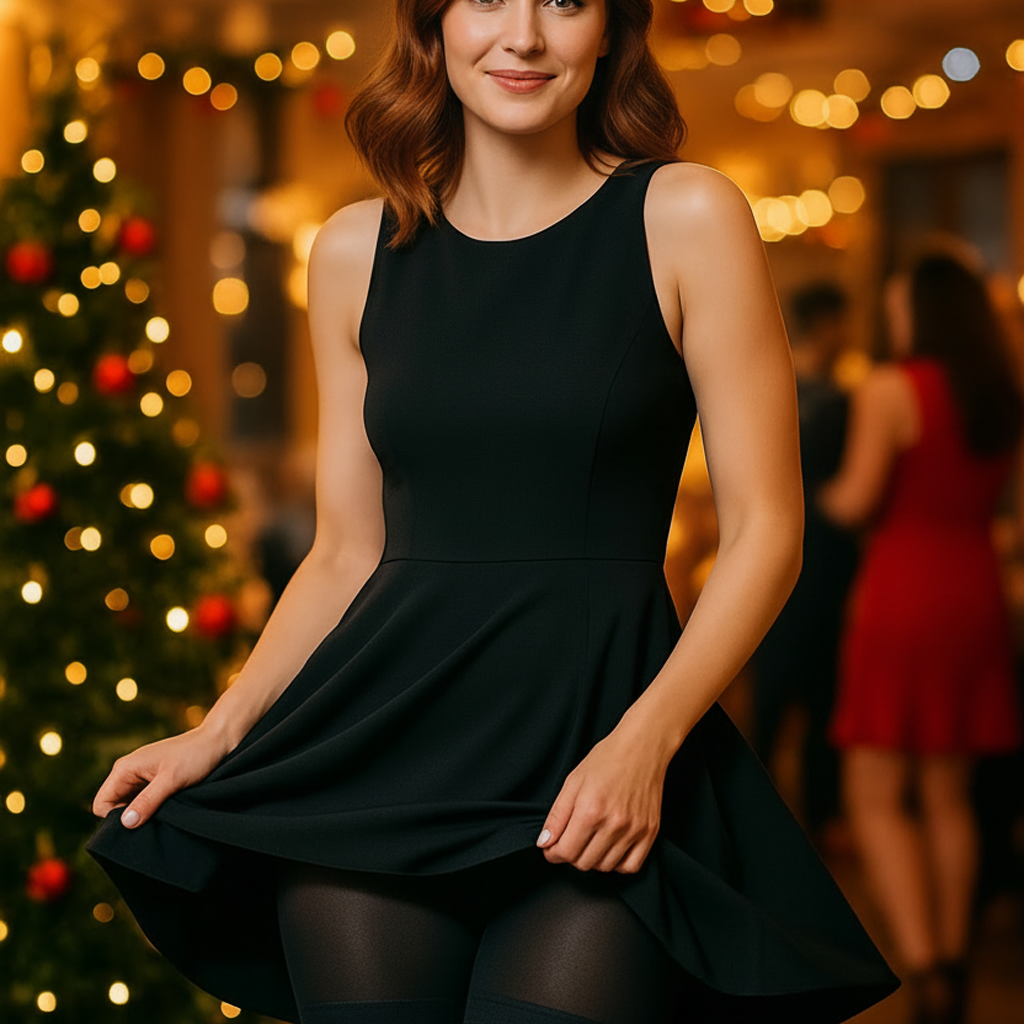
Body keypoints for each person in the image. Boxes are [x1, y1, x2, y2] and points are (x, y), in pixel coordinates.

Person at [88, 3, 898, 1022]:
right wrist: (219, 728)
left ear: (611, 29)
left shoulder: (686, 215)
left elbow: (767, 533)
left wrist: (643, 743)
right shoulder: (350, 250)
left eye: (563, 0)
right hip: (376, 758)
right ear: (432, 23)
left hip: (592, 758)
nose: (521, 35)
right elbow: (346, 552)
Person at [821, 253, 1024, 1024]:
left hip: (904, 590)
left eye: (901, 303)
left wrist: (818, 492)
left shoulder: (889, 387)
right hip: (975, 591)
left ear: (923, 312)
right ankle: (958, 957)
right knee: (950, 795)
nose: (893, 316)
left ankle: (925, 965)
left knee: (873, 793)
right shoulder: (998, 394)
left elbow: (858, 496)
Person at [751, 283, 858, 842]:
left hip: (812, 550)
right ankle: (799, 816)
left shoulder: (807, 388)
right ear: (826, 323)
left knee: (796, 682)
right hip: (815, 546)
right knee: (803, 683)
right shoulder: (827, 395)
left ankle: (780, 818)